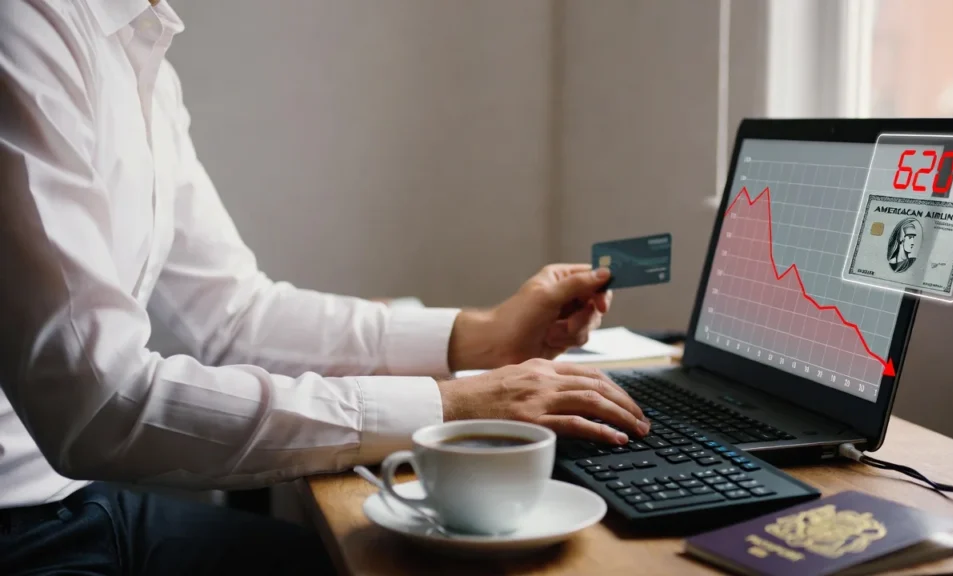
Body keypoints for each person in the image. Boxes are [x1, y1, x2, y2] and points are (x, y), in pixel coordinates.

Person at [0, 1, 648, 574]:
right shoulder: (23, 30)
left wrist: (476, 336)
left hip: (73, 503)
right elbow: (97, 405)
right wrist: (450, 407)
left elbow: (233, 315)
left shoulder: (136, 48)